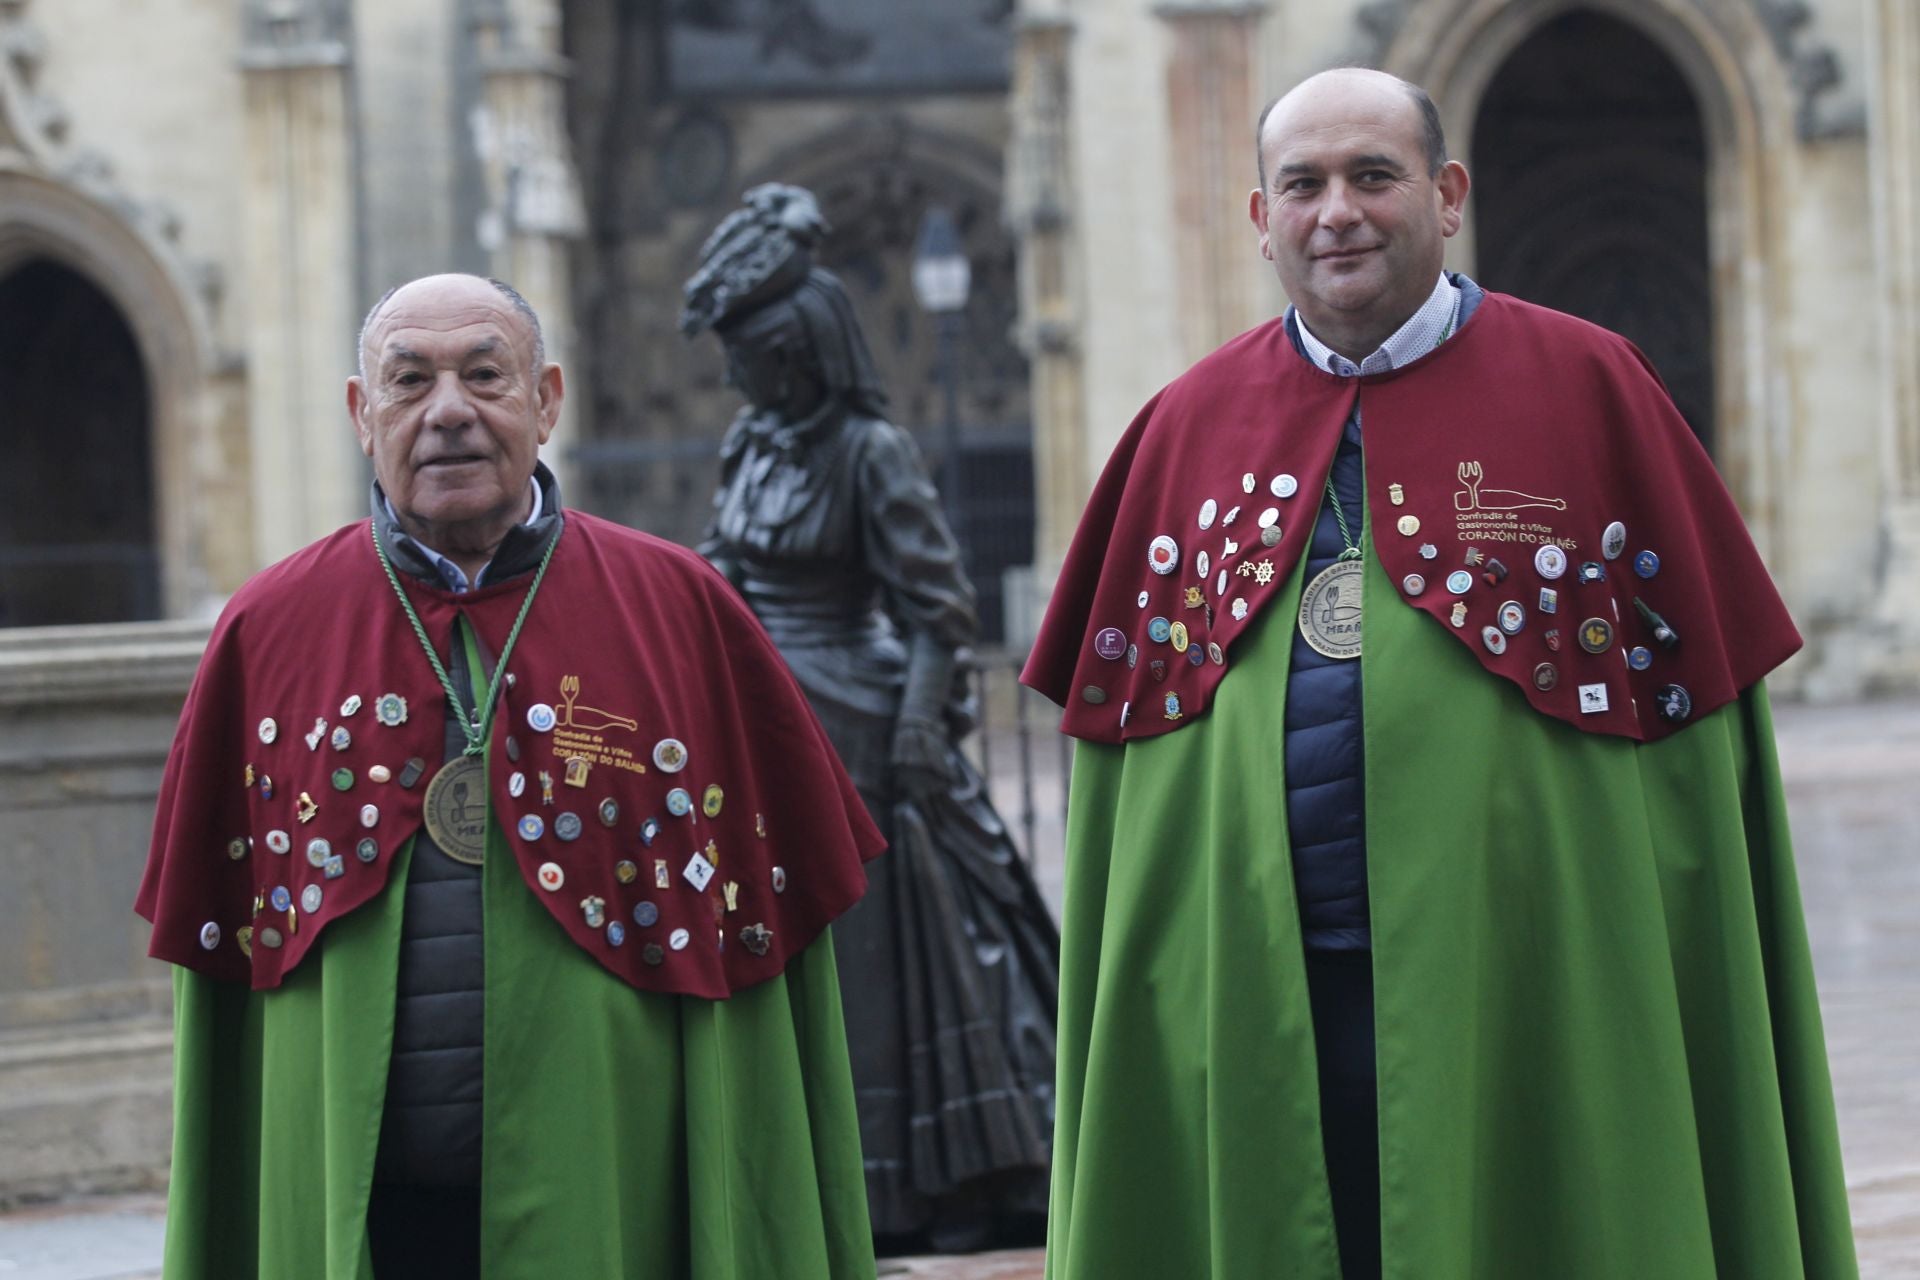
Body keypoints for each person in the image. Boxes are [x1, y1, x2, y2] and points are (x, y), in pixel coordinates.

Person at [1022, 68, 1860, 1280]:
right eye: (1302, 185)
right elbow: (1130, 792)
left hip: (1530, 970)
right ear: (1261, 220)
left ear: (1446, 194)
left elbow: (1693, 768)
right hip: (1260, 984)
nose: (1338, 213)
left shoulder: (1590, 391)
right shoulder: (1183, 429)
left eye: (1374, 176)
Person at [136, 273, 885, 1279]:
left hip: (619, 1186)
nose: (449, 410)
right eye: (410, 381)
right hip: (368, 1198)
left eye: (484, 374)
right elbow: (224, 959)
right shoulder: (270, 630)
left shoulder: (679, 611)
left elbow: (766, 932)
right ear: (365, 415)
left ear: (547, 399)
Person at [682, 184, 1059, 1254]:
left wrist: (909, 734)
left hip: (862, 734)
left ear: (796, 353)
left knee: (883, 968)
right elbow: (722, 570)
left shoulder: (868, 451)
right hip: (764, 731)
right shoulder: (750, 447)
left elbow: (938, 609)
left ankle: (906, 1188)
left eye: (747, 355)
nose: (731, 375)